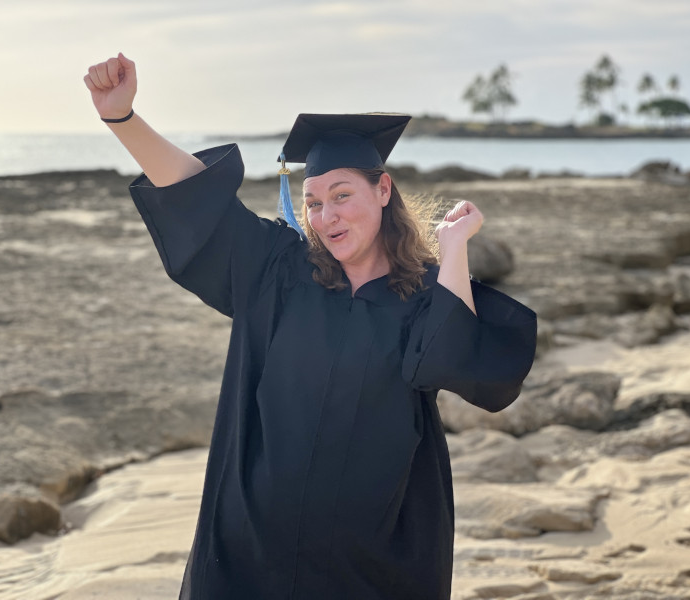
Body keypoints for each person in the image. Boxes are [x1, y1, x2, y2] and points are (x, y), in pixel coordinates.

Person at [84, 53, 537, 600]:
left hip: (373, 556)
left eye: (343, 195)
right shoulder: (280, 270)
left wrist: (455, 250)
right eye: (314, 202)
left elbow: (464, 365)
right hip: (256, 545)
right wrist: (123, 119)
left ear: (384, 190)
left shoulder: (420, 295)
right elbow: (198, 199)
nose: (327, 217)